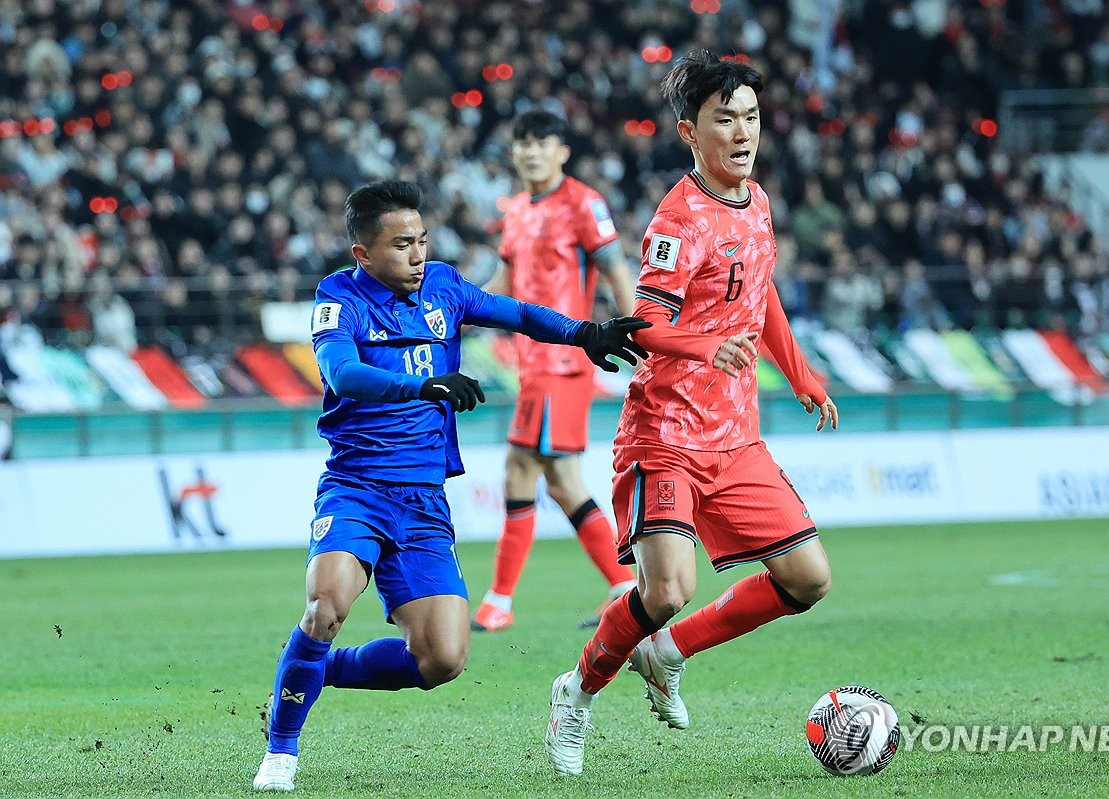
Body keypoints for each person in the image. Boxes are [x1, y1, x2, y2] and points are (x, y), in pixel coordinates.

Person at [252, 179, 648, 792]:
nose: (417, 255)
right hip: (357, 488)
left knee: (442, 660)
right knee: (324, 605)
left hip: (424, 501)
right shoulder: (338, 296)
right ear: (364, 254)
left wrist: (585, 333)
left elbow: (515, 313)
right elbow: (342, 373)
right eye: (401, 244)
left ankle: (315, 670)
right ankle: (281, 752)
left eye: (422, 241)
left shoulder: (442, 286)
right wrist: (423, 386)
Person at [543, 51, 839, 777]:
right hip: (666, 436)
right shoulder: (678, 221)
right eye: (724, 119)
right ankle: (576, 691)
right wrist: (709, 344)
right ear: (689, 130)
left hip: (736, 438)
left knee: (807, 578)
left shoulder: (758, 201)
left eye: (751, 117)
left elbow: (760, 292)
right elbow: (643, 323)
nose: (742, 132)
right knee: (668, 588)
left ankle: (668, 653)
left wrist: (799, 372)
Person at [471, 110, 639, 633]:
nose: (531, 151)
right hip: (531, 361)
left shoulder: (584, 203)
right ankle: (625, 587)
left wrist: (640, 337)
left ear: (562, 151)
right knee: (562, 482)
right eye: (522, 142)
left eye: (542, 142)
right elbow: (504, 277)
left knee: (521, 470)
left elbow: (615, 272)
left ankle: (499, 601)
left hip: (564, 360)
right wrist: (455, 305)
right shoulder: (516, 209)